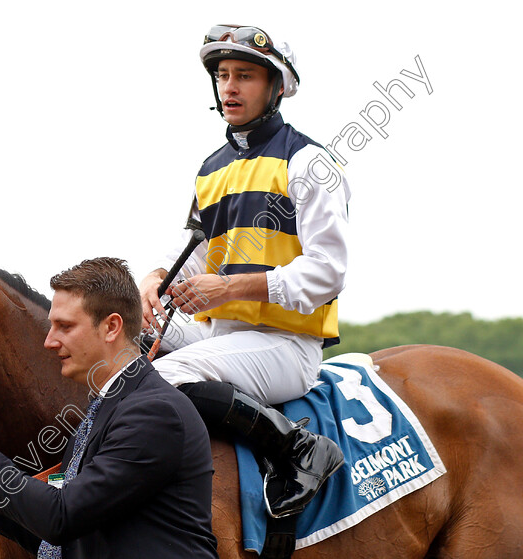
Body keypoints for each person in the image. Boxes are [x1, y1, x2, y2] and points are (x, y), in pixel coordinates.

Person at [139, 25, 349, 518]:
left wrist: (231, 287)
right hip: (221, 336)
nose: (230, 87)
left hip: (286, 345)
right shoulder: (211, 169)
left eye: (245, 76)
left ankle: (297, 449)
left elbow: (328, 271)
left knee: (169, 374)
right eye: (223, 76)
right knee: (119, 342)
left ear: (277, 87)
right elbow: (193, 252)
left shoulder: (309, 161)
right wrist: (154, 280)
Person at [0, 257, 218, 559]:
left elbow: (61, 516)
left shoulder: (155, 413)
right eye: (51, 326)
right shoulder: (105, 411)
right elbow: (57, 541)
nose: (49, 341)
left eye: (65, 327)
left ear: (112, 327)